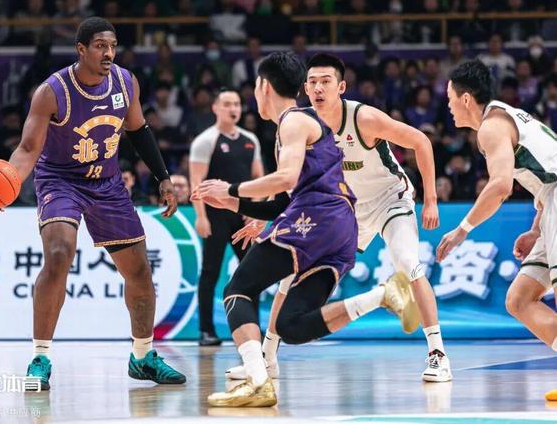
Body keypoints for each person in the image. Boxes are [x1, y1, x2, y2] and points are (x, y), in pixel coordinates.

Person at [193, 52, 416, 407]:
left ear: (264, 87)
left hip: (316, 219)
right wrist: (232, 204)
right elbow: (282, 202)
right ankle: (381, 296)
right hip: (340, 229)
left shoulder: (293, 122)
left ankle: (257, 380)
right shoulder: (298, 125)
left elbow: (286, 178)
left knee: (237, 290)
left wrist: (231, 189)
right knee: (291, 325)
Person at [226, 53, 450, 383]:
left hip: (388, 200)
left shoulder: (362, 117)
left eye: (326, 81)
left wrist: (430, 199)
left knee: (407, 262)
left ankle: (438, 354)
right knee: (290, 273)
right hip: (343, 210)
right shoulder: (302, 123)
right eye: (312, 82)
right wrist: (267, 219)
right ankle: (267, 358)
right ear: (304, 88)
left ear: (341, 87)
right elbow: (293, 186)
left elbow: (420, 141)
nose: (318, 88)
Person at [8, 17, 186, 390]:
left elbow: (139, 130)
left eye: (112, 46)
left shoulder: (125, 82)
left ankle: (143, 357)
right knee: (59, 253)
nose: (108, 53)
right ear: (82, 49)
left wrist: (163, 178)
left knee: (139, 271)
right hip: (60, 180)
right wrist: (9, 182)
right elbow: (27, 148)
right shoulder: (52, 91)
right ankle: (40, 357)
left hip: (107, 182)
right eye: (101, 46)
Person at [436, 61, 557, 389]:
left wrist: (462, 229)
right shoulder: (505, 116)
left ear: (465, 99)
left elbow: (501, 186)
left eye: (450, 98)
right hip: (550, 203)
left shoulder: (491, 127)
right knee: (519, 299)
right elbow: (547, 172)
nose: (448, 106)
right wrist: (537, 229)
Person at [189, 88, 264, 346]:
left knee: (252, 272)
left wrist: (254, 212)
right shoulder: (205, 140)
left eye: (237, 104)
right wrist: (201, 217)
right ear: (215, 108)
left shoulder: (250, 139)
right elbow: (196, 182)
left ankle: (253, 330)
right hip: (215, 215)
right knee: (210, 272)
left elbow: (259, 178)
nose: (233, 109)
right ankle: (206, 331)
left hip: (242, 216)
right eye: (227, 104)